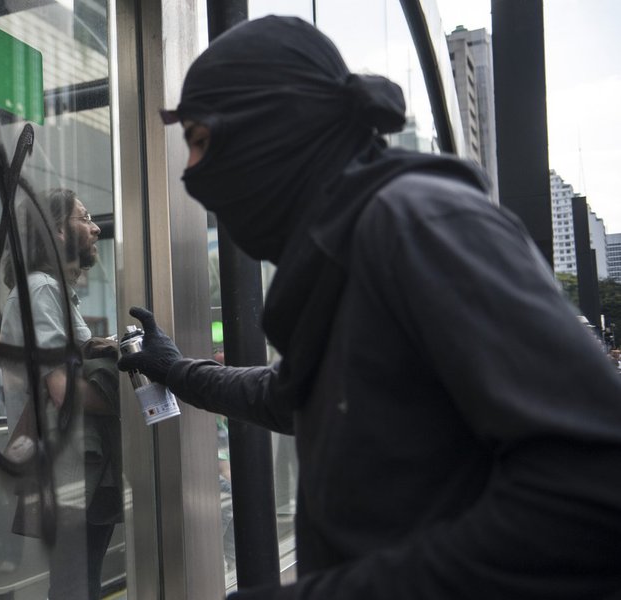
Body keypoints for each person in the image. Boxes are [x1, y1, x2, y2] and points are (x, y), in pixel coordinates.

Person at [117, 16, 621, 599]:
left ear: (273, 128)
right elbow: (284, 396)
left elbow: (594, 493)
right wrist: (171, 368)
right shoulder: (342, 260)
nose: (191, 171)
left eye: (203, 140)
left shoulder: (417, 222)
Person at [1, 188, 121, 599]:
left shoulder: (54, 292)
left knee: (80, 580)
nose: (95, 227)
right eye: (84, 218)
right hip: (68, 464)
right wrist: (127, 393)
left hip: (77, 460)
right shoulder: (40, 290)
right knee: (75, 584)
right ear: (57, 231)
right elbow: (64, 391)